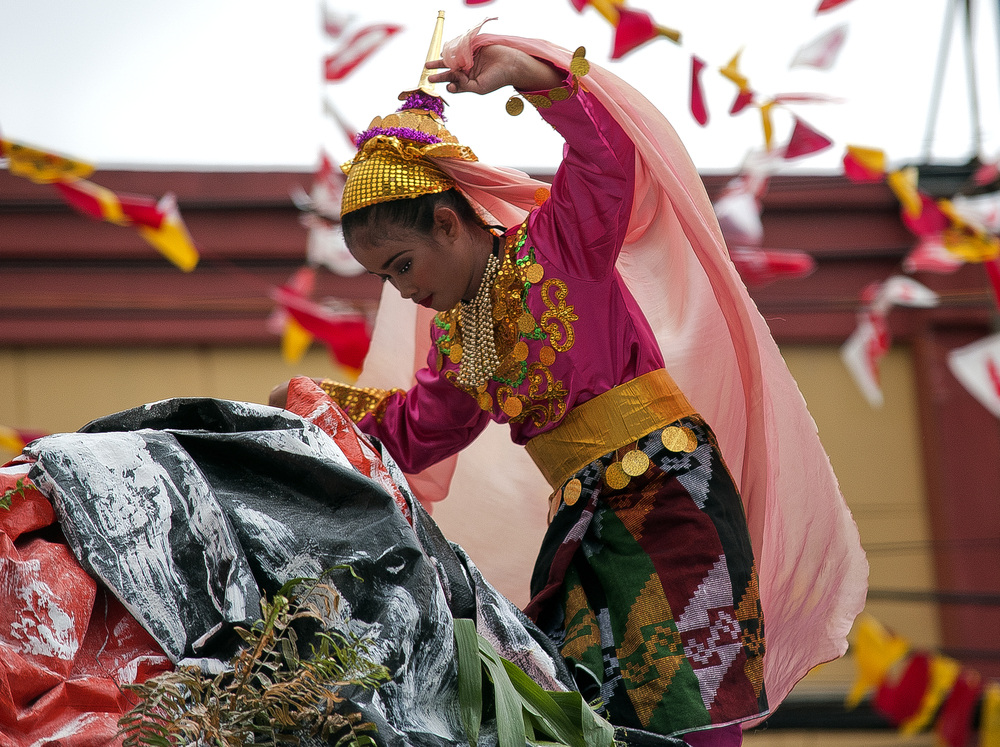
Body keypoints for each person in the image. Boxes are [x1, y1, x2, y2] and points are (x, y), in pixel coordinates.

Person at [272, 19, 867, 747]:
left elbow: (608, 156)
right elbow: (413, 431)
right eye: (384, 277)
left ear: (451, 223)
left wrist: (530, 74)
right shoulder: (462, 341)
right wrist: (313, 413)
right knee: (584, 715)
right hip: (583, 528)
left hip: (669, 496)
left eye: (402, 264)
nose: (401, 292)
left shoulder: (559, 244)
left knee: (692, 707)